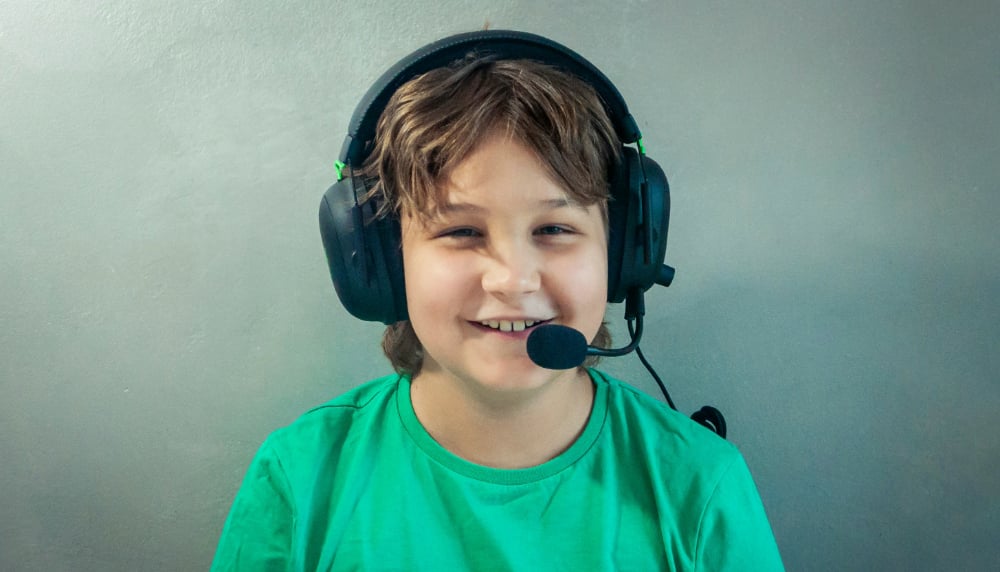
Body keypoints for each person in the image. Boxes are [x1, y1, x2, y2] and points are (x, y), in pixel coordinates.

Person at [212, 31, 783, 571]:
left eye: (555, 229)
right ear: (381, 263)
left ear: (621, 256)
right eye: (461, 232)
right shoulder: (301, 478)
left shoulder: (700, 486)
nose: (512, 281)